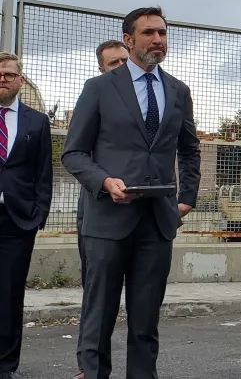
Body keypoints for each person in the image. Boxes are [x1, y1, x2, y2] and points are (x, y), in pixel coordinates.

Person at [62, 7, 201, 379]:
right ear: (129, 40)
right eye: (149, 33)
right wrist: (105, 182)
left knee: (145, 322)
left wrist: (187, 197)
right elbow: (73, 153)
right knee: (99, 315)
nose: (158, 40)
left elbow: (189, 148)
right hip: (107, 220)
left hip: (156, 224)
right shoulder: (99, 88)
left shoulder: (177, 90)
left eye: (163, 33)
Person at [73, 40, 129, 379]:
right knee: (98, 295)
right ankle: (89, 367)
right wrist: (105, 181)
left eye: (125, 60)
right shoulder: (95, 94)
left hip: (143, 213)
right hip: (99, 207)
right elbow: (76, 152)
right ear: (101, 69)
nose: (121, 67)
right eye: (113, 64)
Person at [0, 52, 53, 379]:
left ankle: (6, 367)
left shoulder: (37, 121)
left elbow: (43, 173)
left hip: (17, 222)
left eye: (8, 74)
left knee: (9, 296)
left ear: (21, 79)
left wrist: (38, 216)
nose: (3, 79)